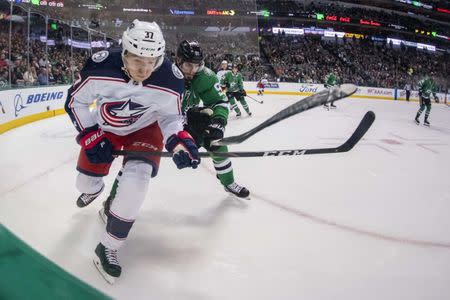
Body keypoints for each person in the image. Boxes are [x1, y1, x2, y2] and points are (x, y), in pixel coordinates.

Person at [64, 19, 200, 284]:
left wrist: (180, 140)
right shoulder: (100, 65)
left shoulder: (171, 78)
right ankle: (95, 190)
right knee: (85, 181)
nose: (145, 69)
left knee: (137, 180)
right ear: (124, 51)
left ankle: (108, 247)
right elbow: (75, 101)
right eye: (138, 60)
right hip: (106, 126)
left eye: (152, 61)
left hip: (146, 129)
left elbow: (171, 119)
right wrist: (91, 136)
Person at [99, 41, 250, 221]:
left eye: (197, 65)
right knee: (137, 161)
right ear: (178, 60)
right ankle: (112, 201)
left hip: (182, 123)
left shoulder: (204, 77)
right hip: (153, 123)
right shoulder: (160, 72)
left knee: (216, 143)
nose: (193, 70)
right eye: (188, 65)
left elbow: (218, 102)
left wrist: (217, 122)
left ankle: (228, 181)